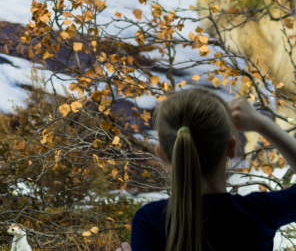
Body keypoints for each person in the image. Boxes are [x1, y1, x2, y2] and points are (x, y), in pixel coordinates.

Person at [118, 88, 296, 251]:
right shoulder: (260, 213)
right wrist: (262, 124)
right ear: (232, 147)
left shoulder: (149, 222)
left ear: (162, 154)